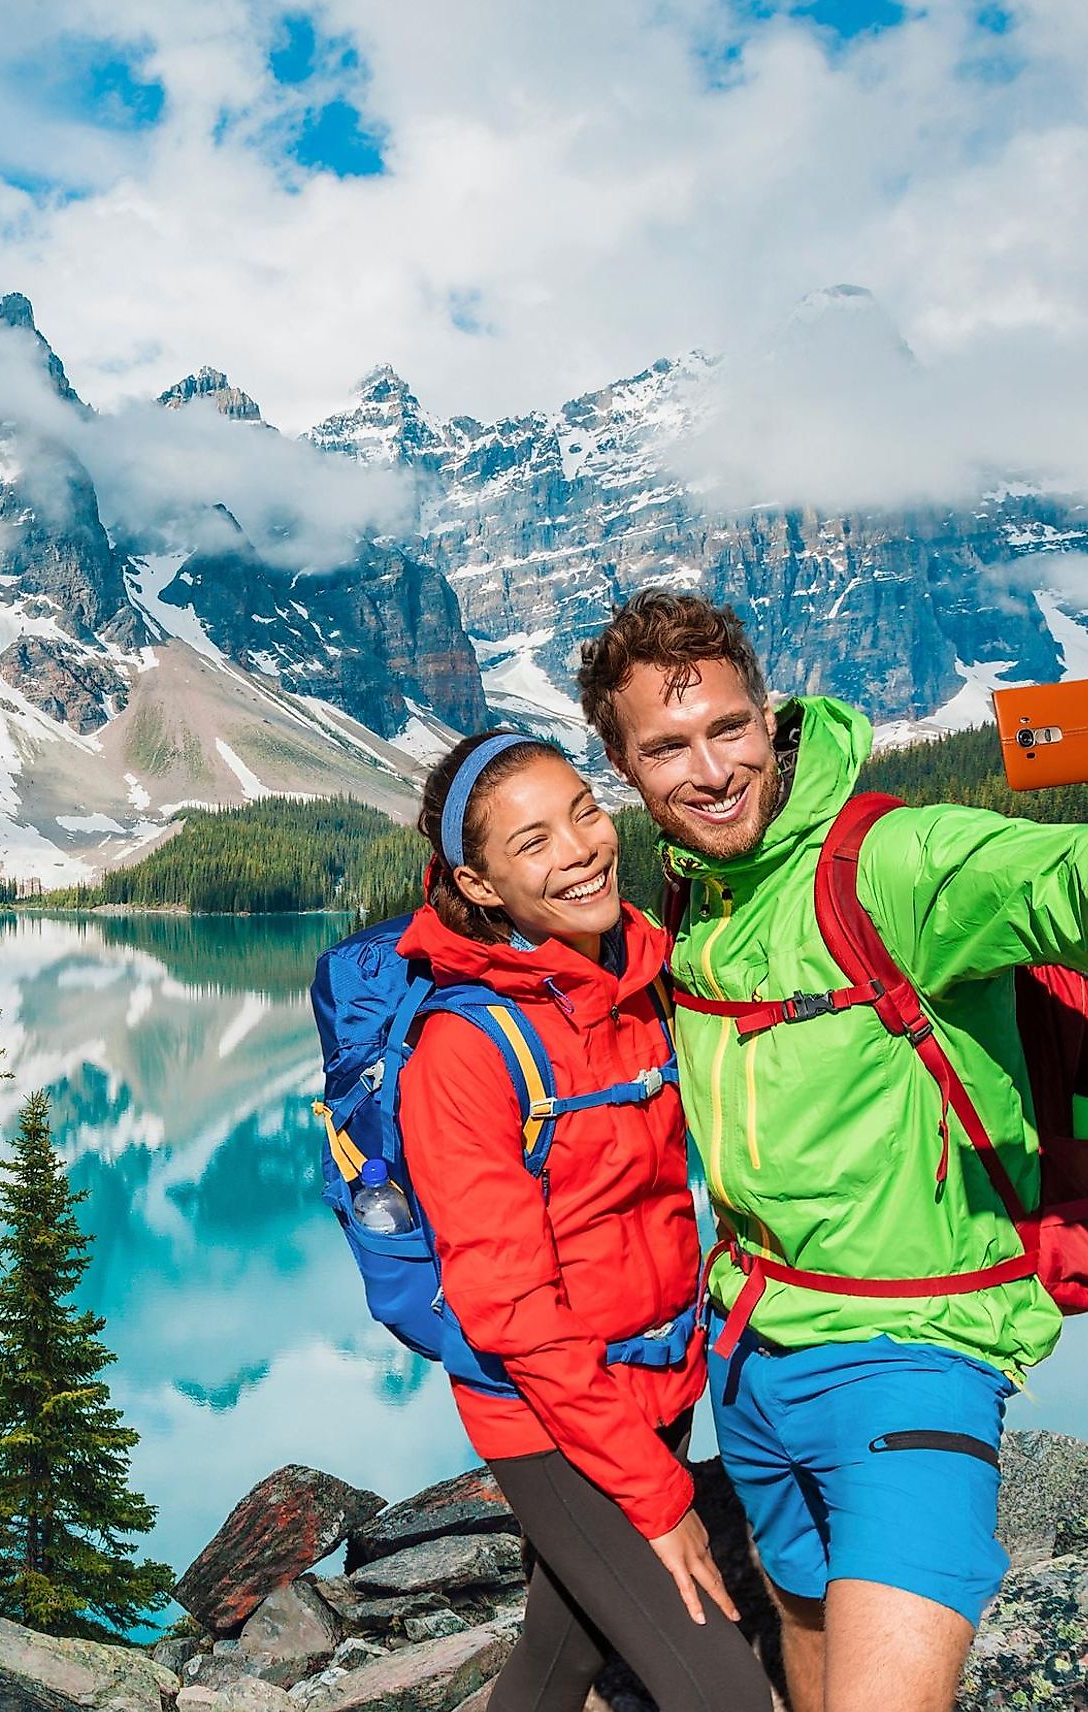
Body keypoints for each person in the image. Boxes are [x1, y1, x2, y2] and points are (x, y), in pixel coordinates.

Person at [577, 590, 1088, 1712]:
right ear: (622, 762)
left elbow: (1085, 898)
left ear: (772, 715)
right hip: (752, 1355)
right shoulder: (695, 893)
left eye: (729, 730)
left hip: (914, 1356)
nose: (708, 771)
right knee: (800, 1625)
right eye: (667, 746)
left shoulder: (897, 861)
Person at [394, 730, 773, 1712]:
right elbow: (511, 1307)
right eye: (532, 842)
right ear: (479, 886)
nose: (579, 848)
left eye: (585, 811)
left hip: (657, 1379)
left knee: (562, 1659)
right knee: (723, 1690)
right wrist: (656, 1495)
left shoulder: (643, 977)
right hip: (550, 1417)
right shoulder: (462, 1053)